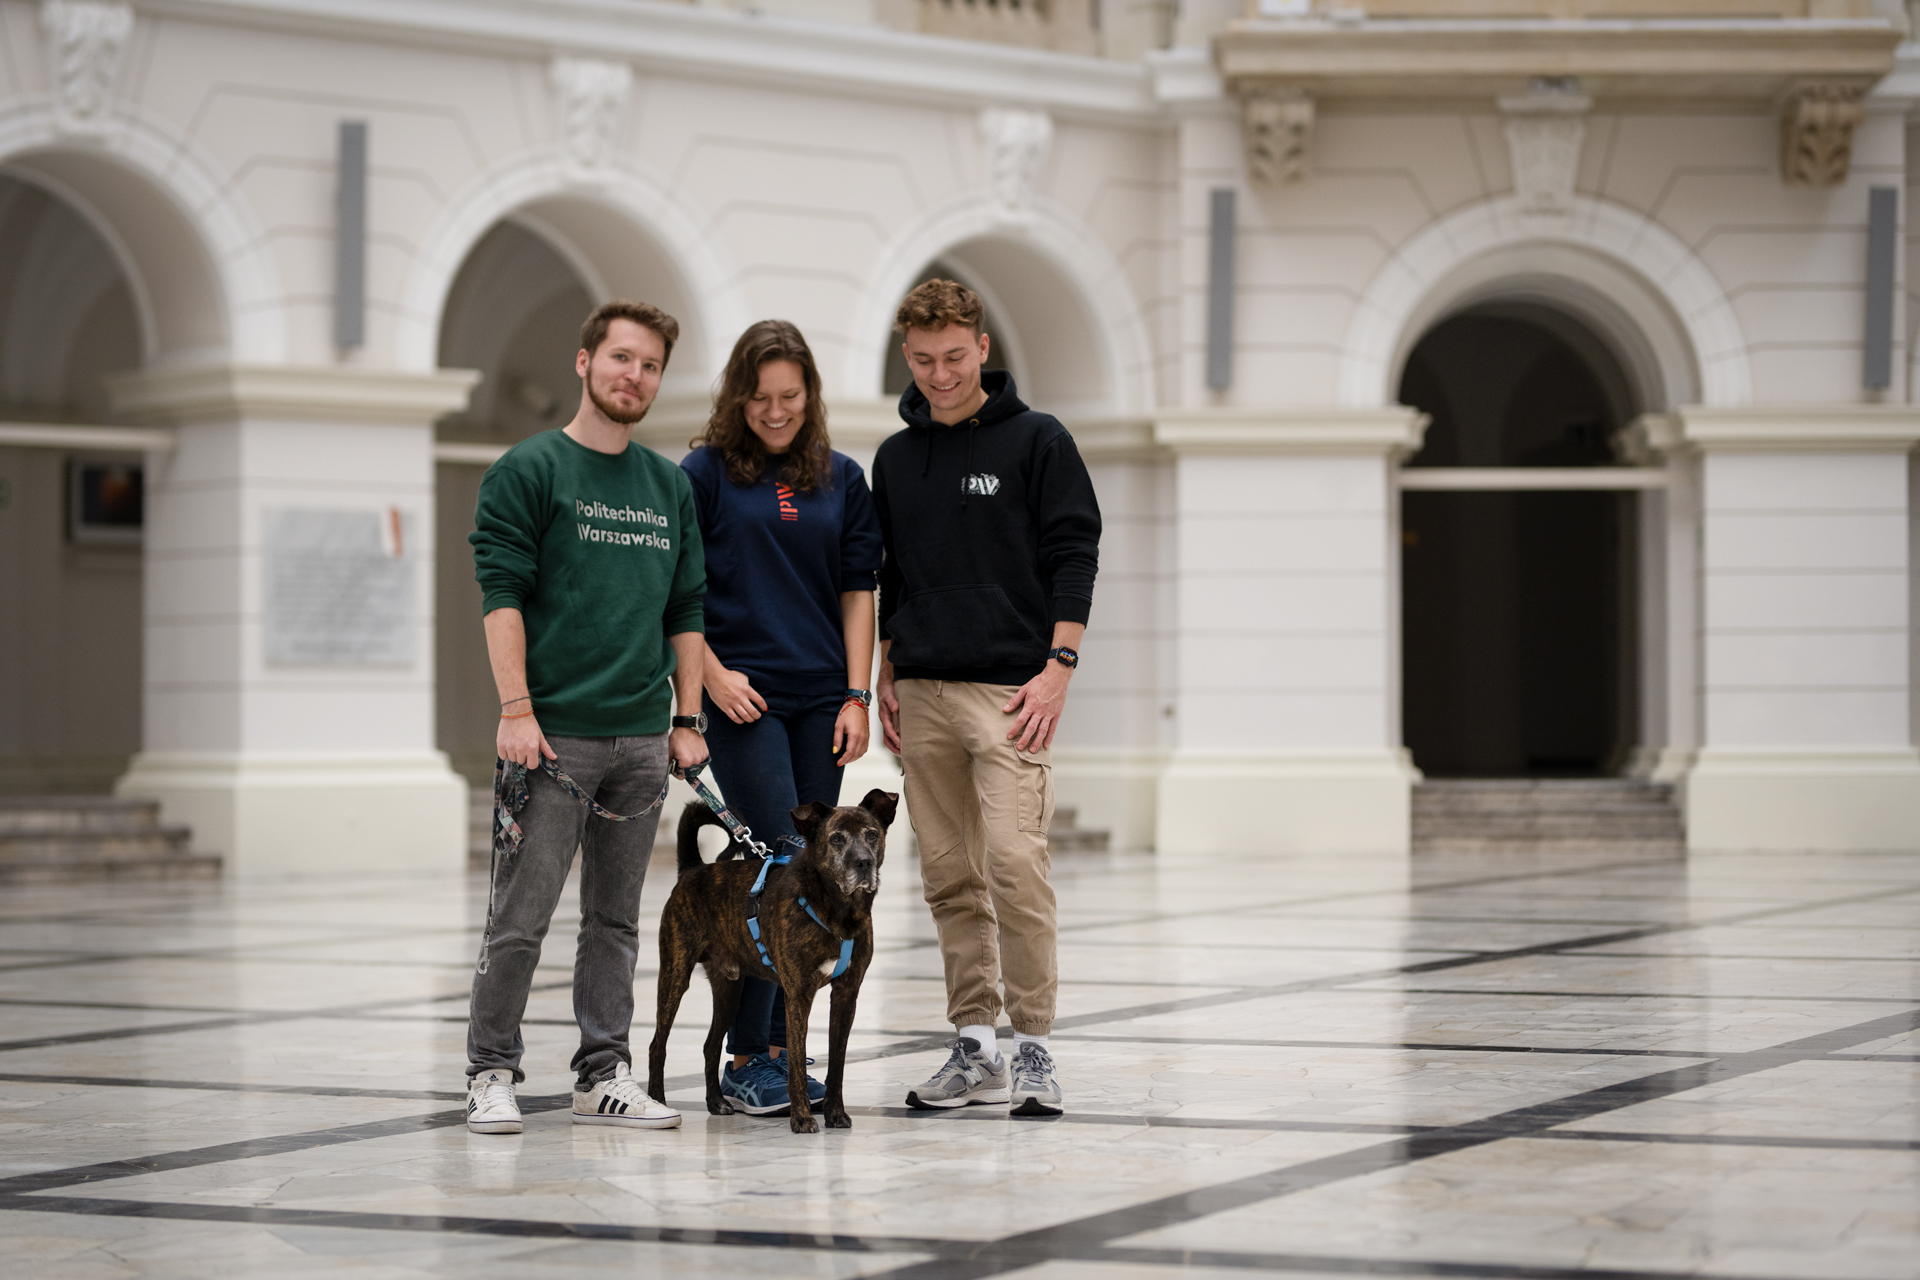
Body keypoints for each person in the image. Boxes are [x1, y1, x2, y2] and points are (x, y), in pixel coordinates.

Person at [463, 300, 709, 1135]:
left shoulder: (668, 485)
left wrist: (688, 717)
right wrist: (515, 709)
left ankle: (604, 1071)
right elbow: (501, 598)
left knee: (616, 922)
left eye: (649, 366)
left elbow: (687, 609)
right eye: (621, 359)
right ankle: (490, 1070)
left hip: (643, 740)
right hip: (550, 739)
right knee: (520, 922)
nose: (634, 376)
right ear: (584, 362)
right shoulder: (529, 471)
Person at [872, 279, 1101, 1117]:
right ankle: (975, 1045)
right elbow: (890, 574)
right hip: (922, 690)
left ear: (983, 349)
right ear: (908, 354)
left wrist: (1060, 665)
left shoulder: (1038, 441)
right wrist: (886, 670)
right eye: (926, 360)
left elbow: (1076, 549)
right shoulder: (896, 459)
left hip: (1012, 691)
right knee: (947, 877)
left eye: (956, 358)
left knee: (1013, 864)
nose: (940, 375)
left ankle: (1034, 1045)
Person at [681, 319, 883, 1116]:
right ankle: (749, 1059)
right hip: (744, 696)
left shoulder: (842, 478)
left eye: (789, 396)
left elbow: (858, 590)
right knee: (773, 856)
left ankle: (776, 1057)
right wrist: (710, 677)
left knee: (816, 868)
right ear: (738, 396)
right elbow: (678, 593)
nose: (774, 411)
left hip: (822, 699)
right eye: (760, 397)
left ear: (810, 395)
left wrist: (858, 694)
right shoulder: (703, 474)